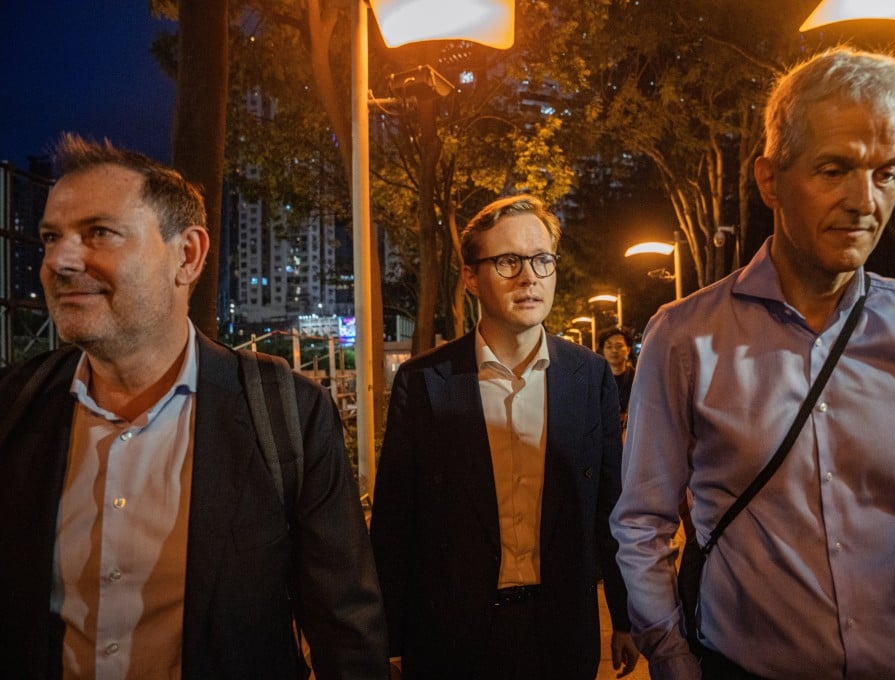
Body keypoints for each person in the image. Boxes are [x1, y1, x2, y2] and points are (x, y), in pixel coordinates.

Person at [610, 47, 895, 679]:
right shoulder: (686, 337)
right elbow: (642, 521)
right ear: (770, 179)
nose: (865, 201)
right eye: (834, 169)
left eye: (886, 172)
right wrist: (671, 655)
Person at [0, 134, 389, 679]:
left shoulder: (286, 413)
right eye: (50, 238)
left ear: (187, 255)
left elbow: (347, 630)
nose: (59, 261)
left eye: (99, 233)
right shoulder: (14, 406)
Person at [370, 194, 640, 679]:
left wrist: (624, 615)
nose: (529, 277)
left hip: (562, 633)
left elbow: (609, 506)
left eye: (541, 260)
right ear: (471, 277)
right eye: (508, 261)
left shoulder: (588, 376)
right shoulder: (425, 381)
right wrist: (388, 641)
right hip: (451, 639)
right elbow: (395, 520)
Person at [597, 327, 635, 433]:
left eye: (619, 346)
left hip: (630, 432)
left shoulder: (636, 378)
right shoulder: (597, 379)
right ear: (603, 350)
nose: (614, 350)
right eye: (609, 347)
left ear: (628, 349)